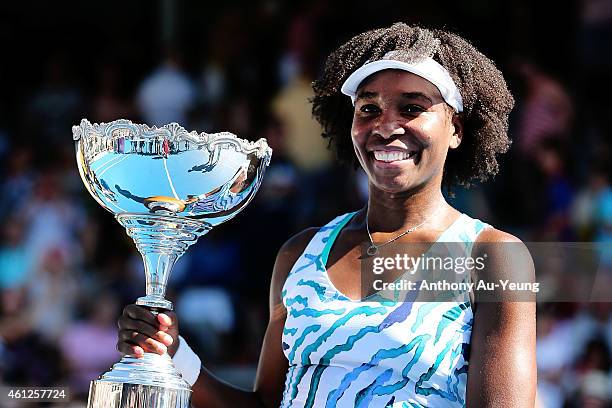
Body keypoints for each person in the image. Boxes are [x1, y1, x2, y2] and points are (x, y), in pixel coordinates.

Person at [117, 23, 536, 407]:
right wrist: (173, 353)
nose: (386, 126)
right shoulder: (300, 253)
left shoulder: (494, 255)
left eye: (411, 108)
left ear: (457, 129)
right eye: (369, 109)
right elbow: (266, 404)